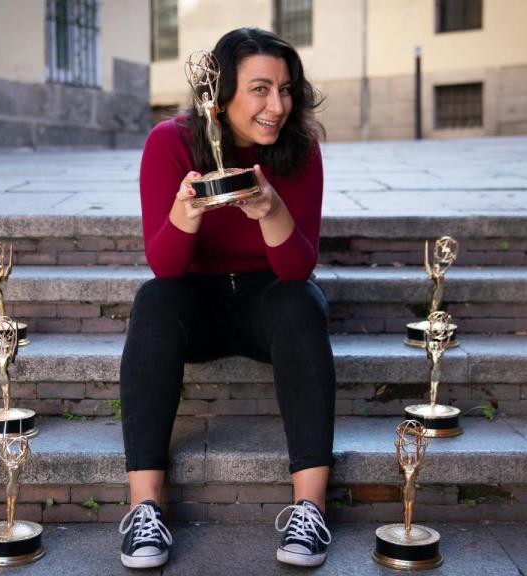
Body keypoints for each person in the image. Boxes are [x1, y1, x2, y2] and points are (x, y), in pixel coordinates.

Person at [117, 27, 336, 569]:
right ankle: (145, 510)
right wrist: (185, 214)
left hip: (270, 300)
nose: (277, 106)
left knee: (303, 302)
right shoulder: (169, 142)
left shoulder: (300, 150)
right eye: (260, 89)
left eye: (285, 90)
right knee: (153, 301)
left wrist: (271, 210)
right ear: (218, 93)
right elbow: (166, 267)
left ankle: (310, 509)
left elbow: (296, 269)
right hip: (197, 303)